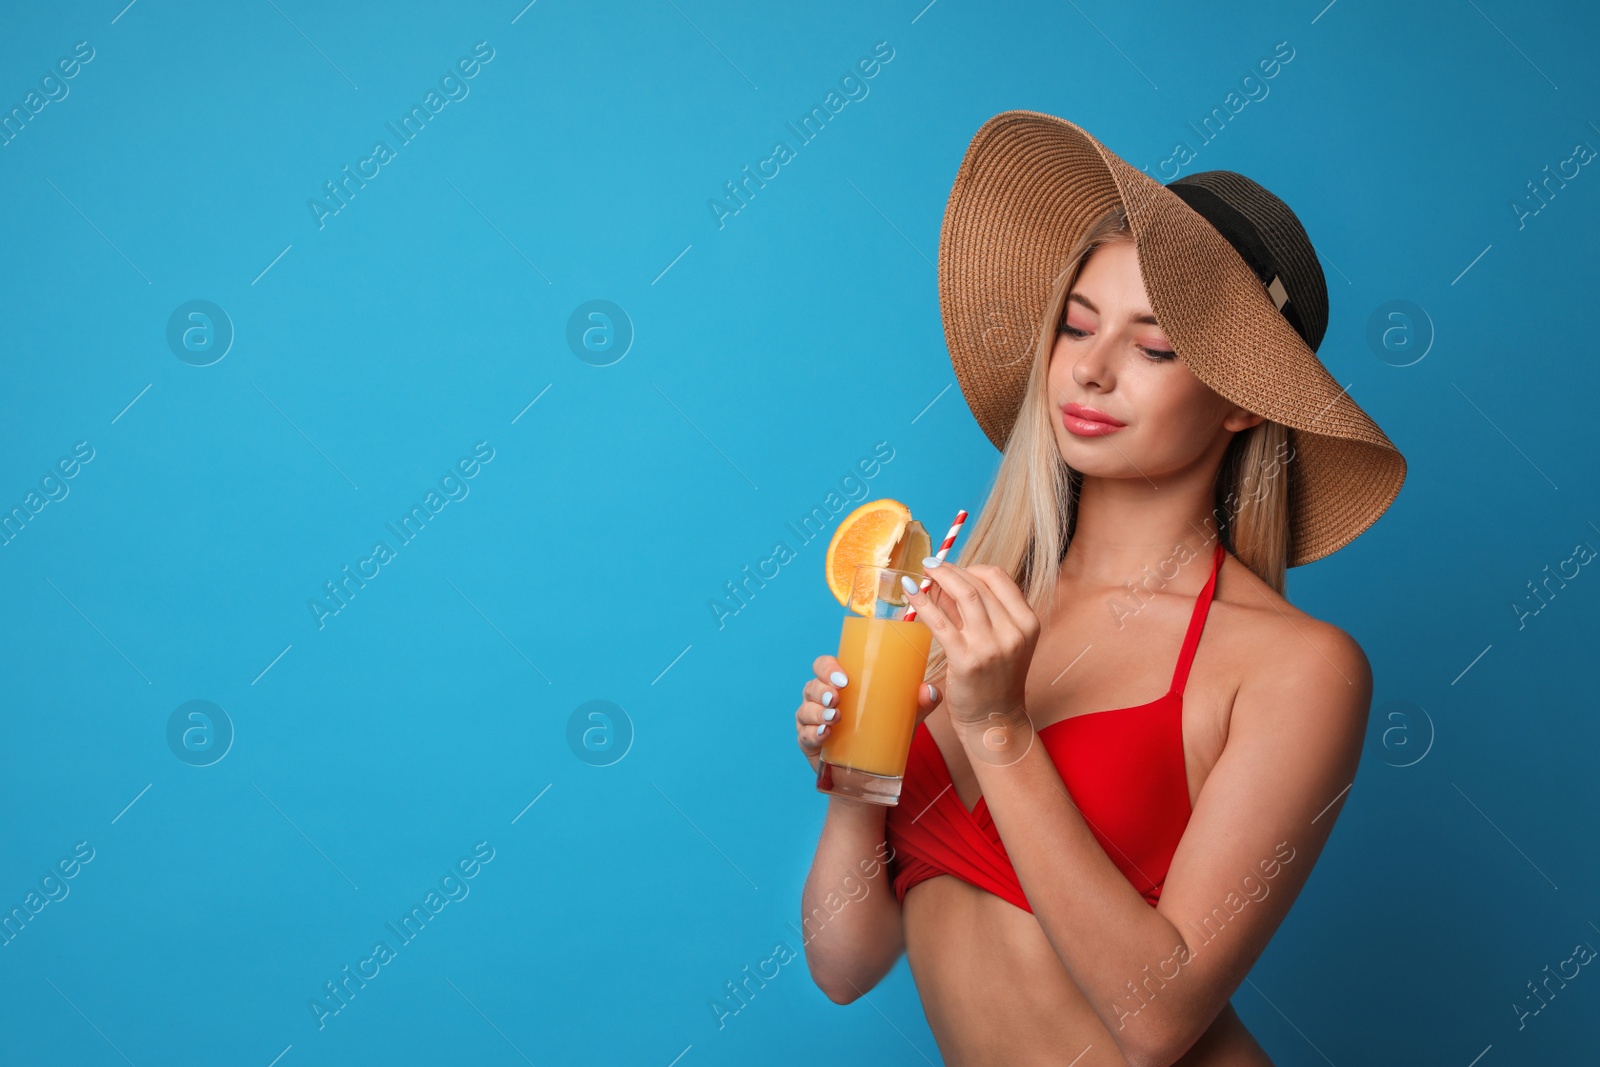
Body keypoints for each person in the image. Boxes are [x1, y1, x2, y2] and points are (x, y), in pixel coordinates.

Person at [791, 111, 1407, 1066]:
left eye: (1154, 348)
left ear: (1246, 399)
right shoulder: (971, 610)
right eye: (1077, 325)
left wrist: (999, 729)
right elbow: (846, 963)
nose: (1090, 367)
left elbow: (1159, 1021)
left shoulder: (1298, 668)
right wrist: (853, 783)